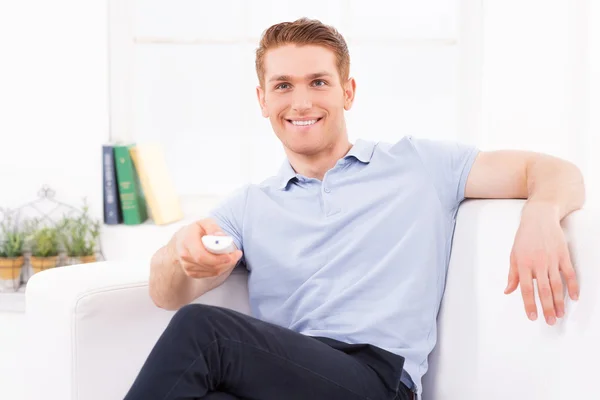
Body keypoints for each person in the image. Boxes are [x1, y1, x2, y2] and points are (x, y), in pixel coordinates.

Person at [123, 18, 585, 400]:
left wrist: (541, 215)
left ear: (348, 91)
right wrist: (180, 250)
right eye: (283, 85)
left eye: (318, 82)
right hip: (284, 381)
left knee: (207, 331)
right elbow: (167, 294)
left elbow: (553, 171)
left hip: (375, 381)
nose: (300, 102)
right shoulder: (250, 205)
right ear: (263, 100)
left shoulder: (419, 165)